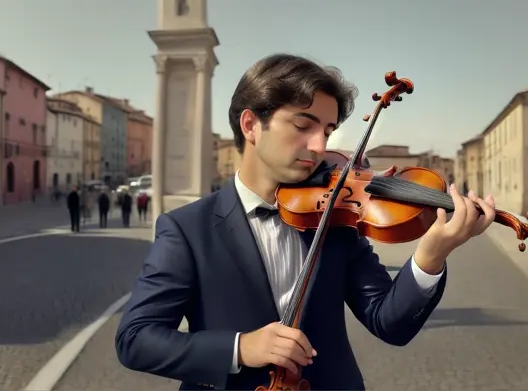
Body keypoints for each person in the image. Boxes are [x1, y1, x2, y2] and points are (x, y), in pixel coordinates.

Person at [115, 54, 496, 390]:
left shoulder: (334, 218)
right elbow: (135, 339)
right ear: (251, 125)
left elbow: (389, 323)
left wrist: (430, 257)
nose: (319, 146)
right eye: (303, 125)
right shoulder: (187, 229)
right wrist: (240, 348)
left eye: (327, 131)